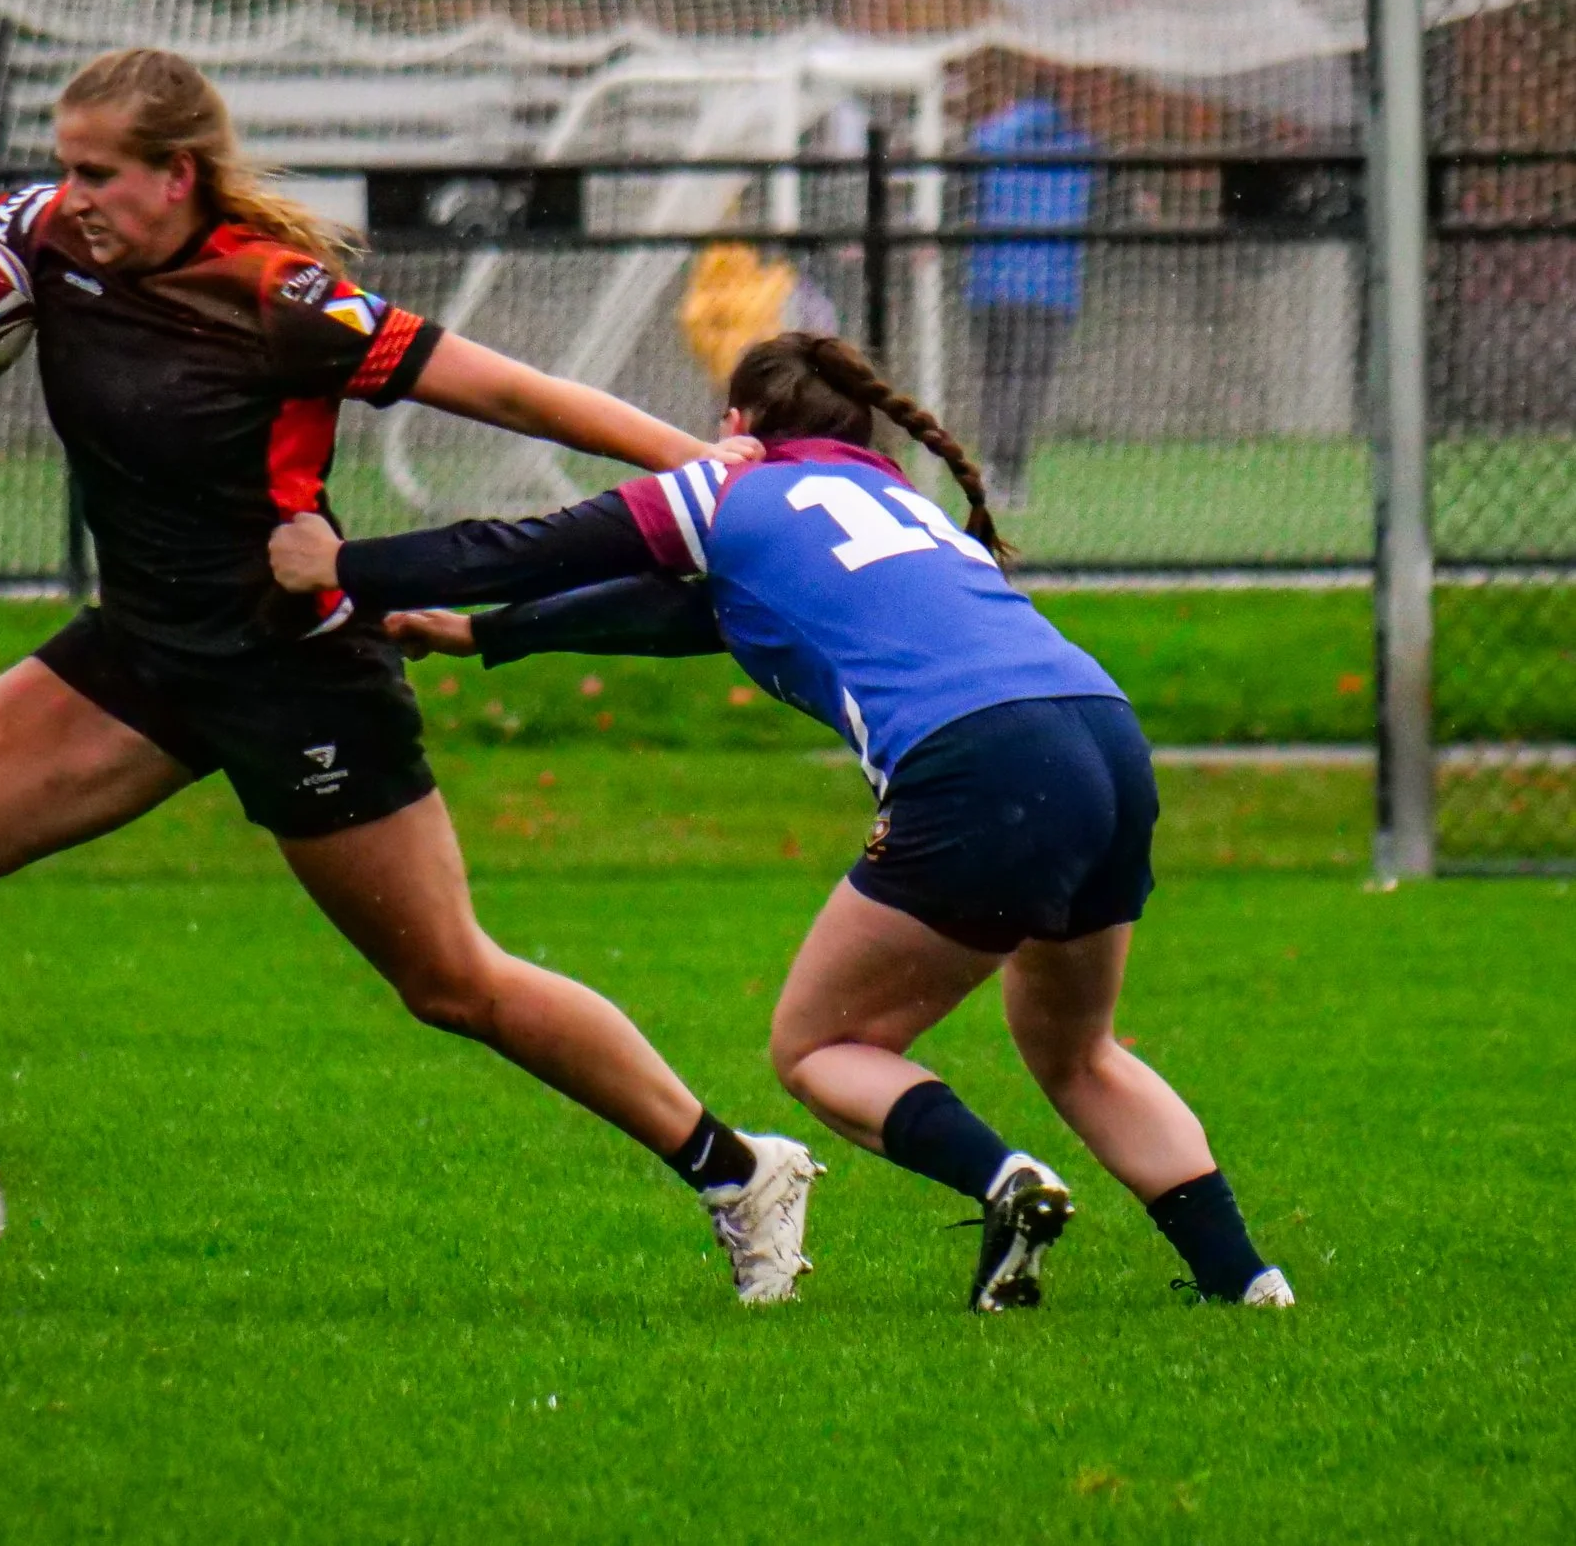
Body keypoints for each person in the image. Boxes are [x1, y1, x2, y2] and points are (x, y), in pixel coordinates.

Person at [0, 47, 821, 1301]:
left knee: (448, 981)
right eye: (63, 168)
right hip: (141, 654)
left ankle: (737, 1168)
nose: (70, 195)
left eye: (98, 173)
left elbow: (514, 393)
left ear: (177, 175)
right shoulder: (43, 234)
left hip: (295, 669)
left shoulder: (279, 297)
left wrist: (716, 473)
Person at [274, 330, 1293, 1312]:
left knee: (818, 1046)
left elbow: (531, 544)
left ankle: (1004, 1181)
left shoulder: (726, 482)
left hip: (976, 760)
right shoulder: (895, 498)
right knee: (1077, 1049)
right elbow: (699, 615)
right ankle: (1243, 1281)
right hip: (1102, 734)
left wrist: (347, 564)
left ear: (735, 421)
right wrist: (492, 638)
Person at [964, 99, 1094, 511]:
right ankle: (1007, 471)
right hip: (1050, 290)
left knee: (996, 378)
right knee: (1025, 384)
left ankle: (993, 464)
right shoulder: (1079, 153)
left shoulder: (989, 145)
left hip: (991, 285)